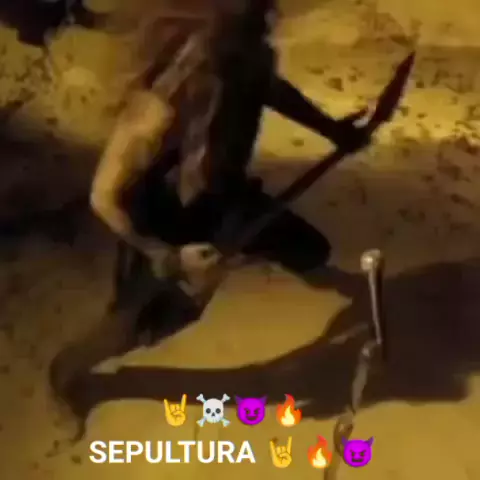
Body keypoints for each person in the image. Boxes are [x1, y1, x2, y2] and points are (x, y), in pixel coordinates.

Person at [48, 0, 369, 438]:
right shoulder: (162, 103)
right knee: (138, 324)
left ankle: (291, 260)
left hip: (224, 201)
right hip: (164, 221)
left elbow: (269, 88)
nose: (267, 24)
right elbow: (103, 197)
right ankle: (65, 372)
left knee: (307, 249)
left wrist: (333, 130)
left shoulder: (247, 55)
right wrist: (165, 255)